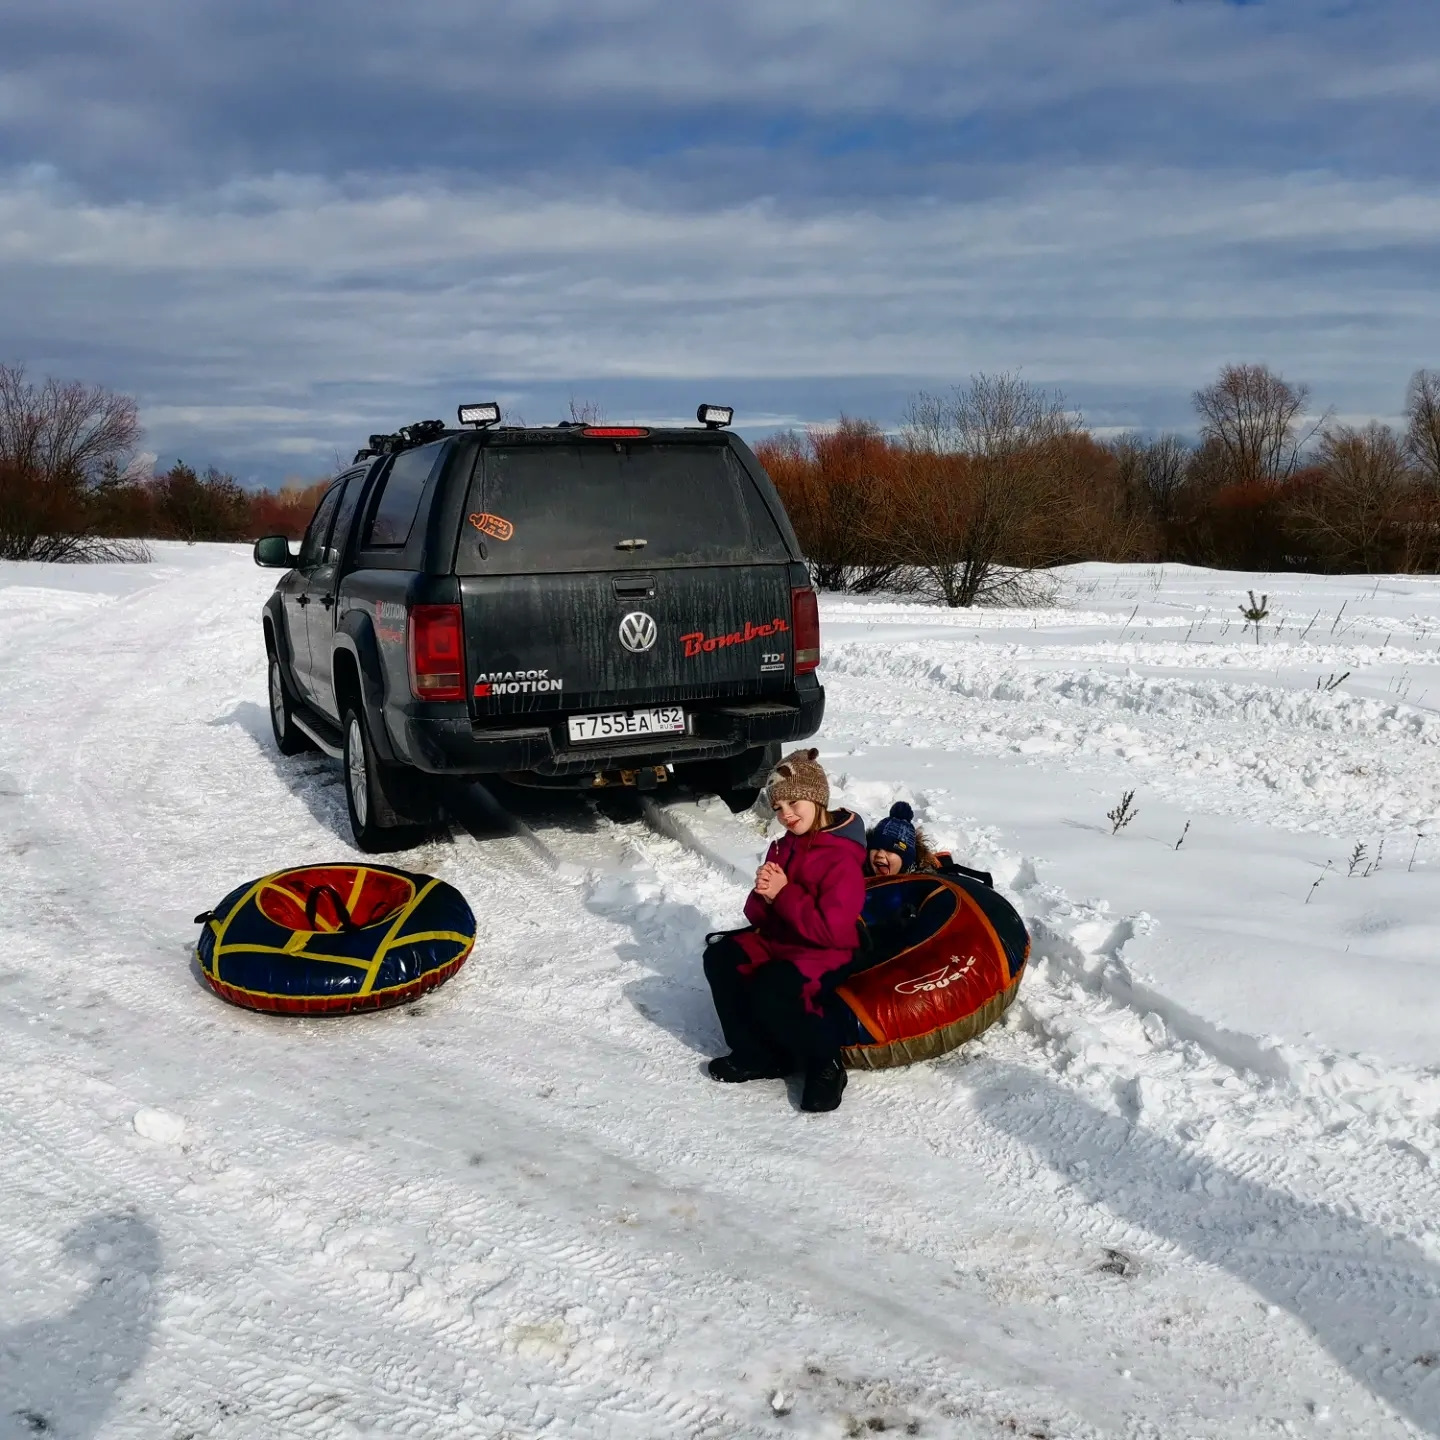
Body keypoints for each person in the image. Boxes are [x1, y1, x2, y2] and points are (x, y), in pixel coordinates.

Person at [702, 748, 866, 1113]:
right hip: (782, 939)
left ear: (816, 798)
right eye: (778, 807)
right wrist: (764, 893)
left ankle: (826, 1063)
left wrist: (784, 893)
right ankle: (756, 1054)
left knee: (774, 986)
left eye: (794, 802)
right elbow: (756, 913)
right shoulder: (783, 846)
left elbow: (832, 931)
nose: (786, 814)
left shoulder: (842, 857)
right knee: (722, 957)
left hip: (825, 952)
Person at [866, 800, 996, 887]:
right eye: (876, 848)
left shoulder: (925, 884)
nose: (880, 854)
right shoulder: (859, 873)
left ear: (906, 861)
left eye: (890, 850)